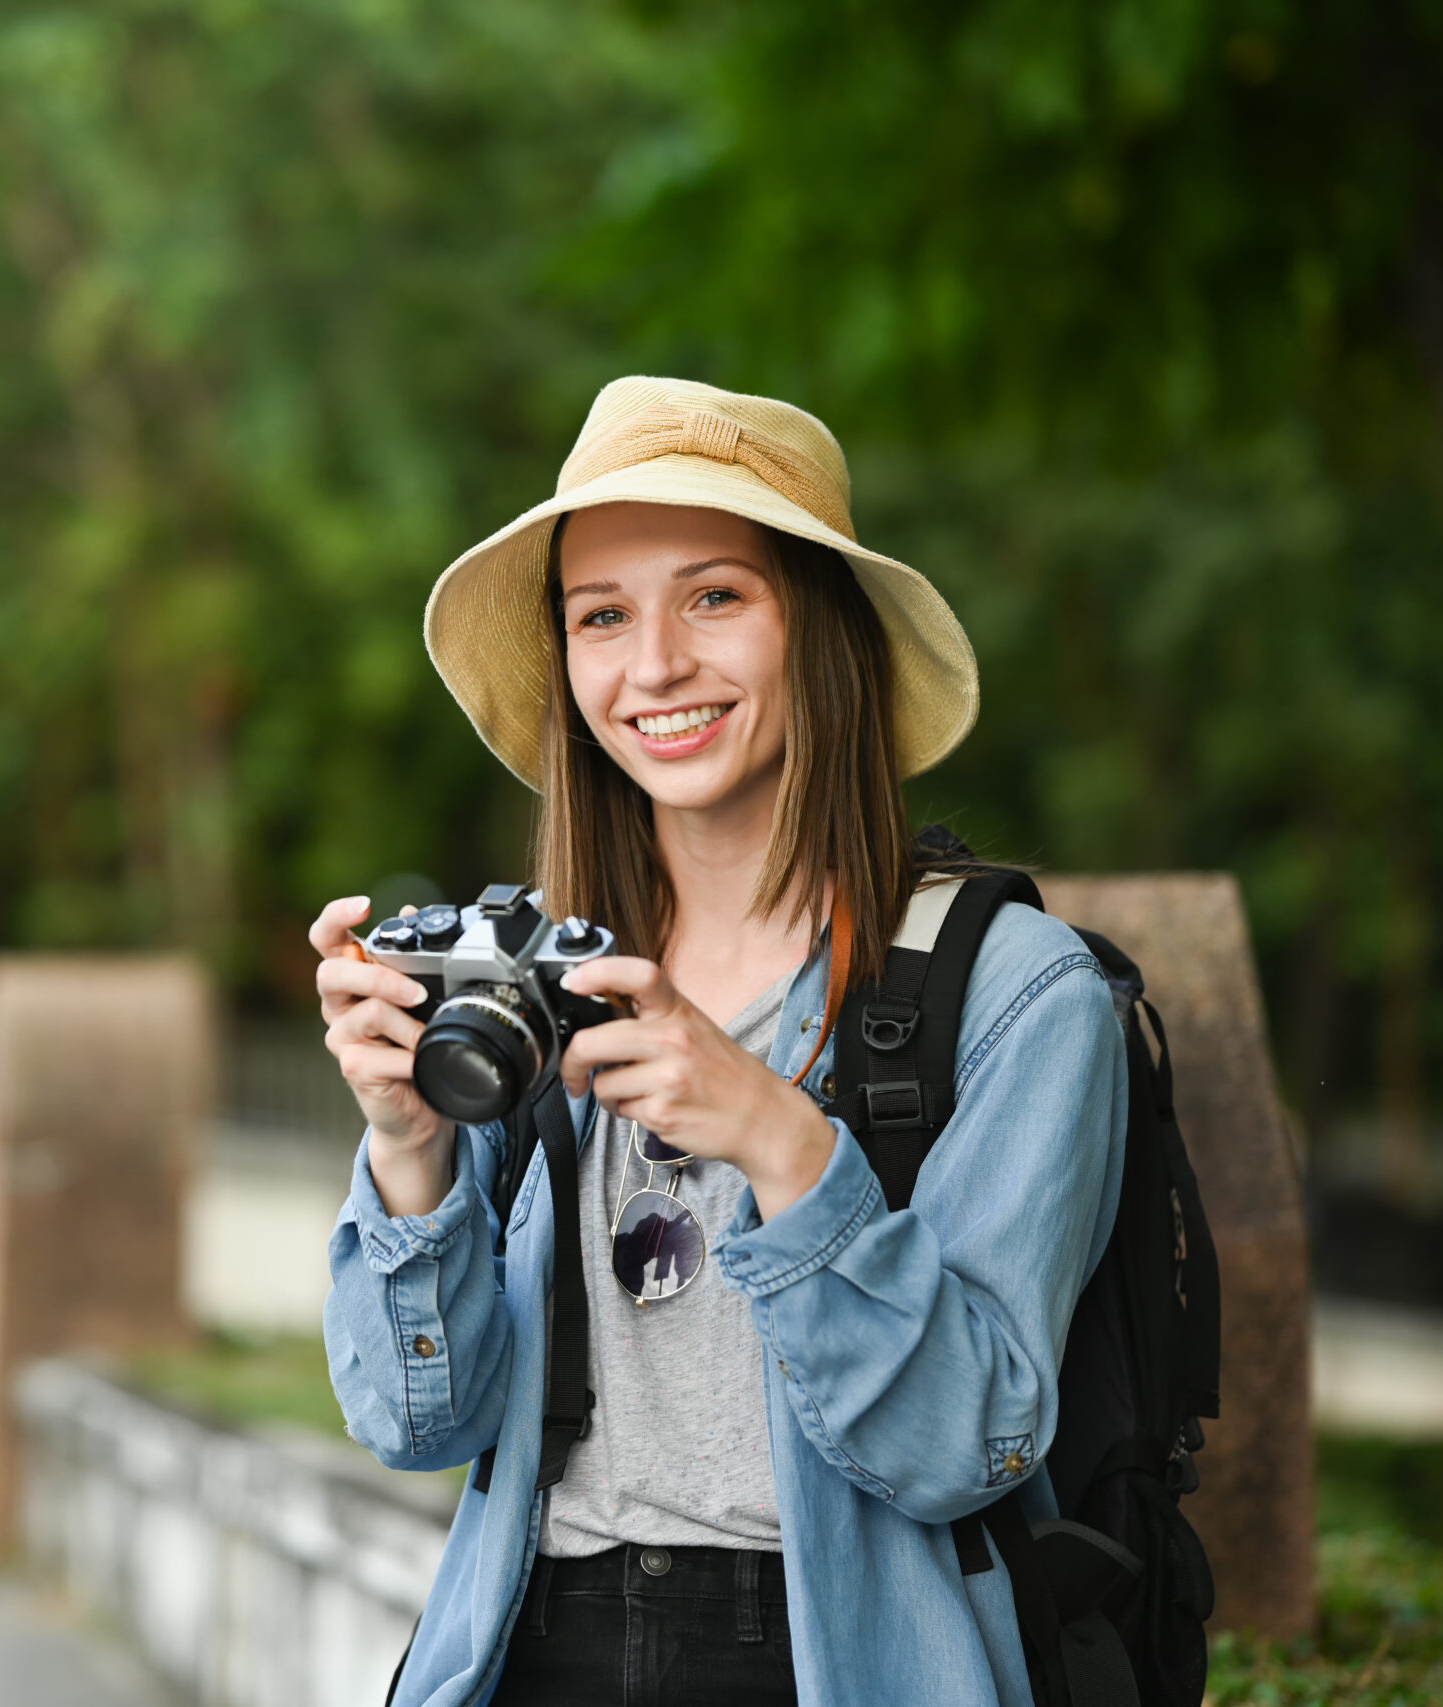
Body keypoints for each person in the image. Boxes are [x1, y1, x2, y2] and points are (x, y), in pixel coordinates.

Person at [310, 377, 1126, 1707]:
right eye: (601, 617)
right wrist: (408, 1153)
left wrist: (781, 1143)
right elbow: (419, 1425)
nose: (655, 667)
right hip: (533, 1649)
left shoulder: (1014, 992)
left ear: (823, 630)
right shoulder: (546, 993)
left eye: (716, 597)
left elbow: (966, 1447)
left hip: (828, 1660)